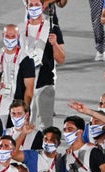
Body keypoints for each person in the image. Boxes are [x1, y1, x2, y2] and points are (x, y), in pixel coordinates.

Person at [19, 0, 66, 128]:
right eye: (31, 5)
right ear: (26, 6)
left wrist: (55, 44)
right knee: (26, 124)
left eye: (37, 5)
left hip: (45, 83)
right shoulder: (20, 30)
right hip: (25, 83)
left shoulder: (53, 29)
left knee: (46, 125)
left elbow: (61, 59)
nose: (34, 8)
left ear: (42, 6)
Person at [0, 25, 36, 114]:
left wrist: (25, 110)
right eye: (7, 36)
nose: (10, 39)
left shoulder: (26, 58)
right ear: (3, 35)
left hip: (17, 106)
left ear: (18, 36)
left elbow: (29, 89)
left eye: (13, 36)